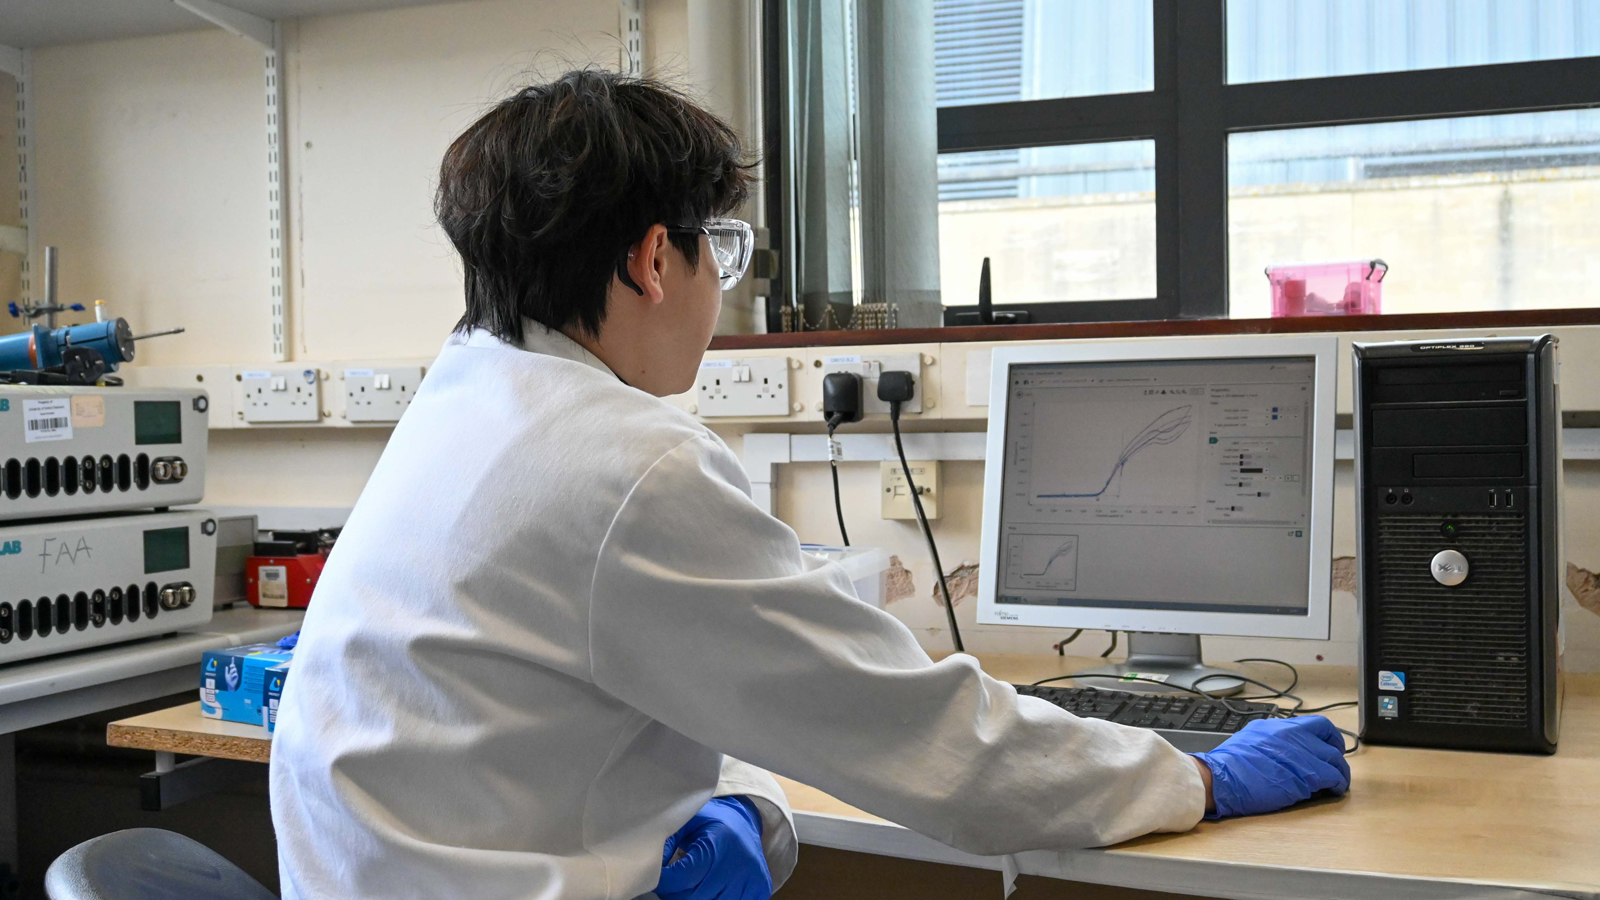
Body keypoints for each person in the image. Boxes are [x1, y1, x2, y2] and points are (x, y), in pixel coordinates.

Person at [268, 69, 1350, 900]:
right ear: (654, 260)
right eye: (719, 252)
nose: (720, 292)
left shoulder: (467, 403)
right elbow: (936, 747)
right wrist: (1197, 778)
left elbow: (657, 686)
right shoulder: (621, 460)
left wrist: (745, 801)